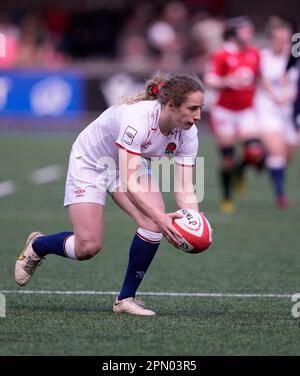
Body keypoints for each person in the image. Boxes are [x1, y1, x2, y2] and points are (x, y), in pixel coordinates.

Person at [15, 72, 205, 316]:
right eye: (193, 108)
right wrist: (160, 218)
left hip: (127, 163)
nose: (198, 116)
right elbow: (130, 181)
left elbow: (185, 188)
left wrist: (195, 222)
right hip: (92, 162)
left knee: (152, 224)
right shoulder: (139, 118)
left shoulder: (189, 133)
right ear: (171, 105)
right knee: (88, 247)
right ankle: (38, 245)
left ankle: (125, 299)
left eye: (201, 108)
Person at [204, 16, 264, 214]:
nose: (250, 34)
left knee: (255, 152)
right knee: (228, 158)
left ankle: (240, 172)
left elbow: (259, 77)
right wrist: (226, 81)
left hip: (246, 109)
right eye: (246, 30)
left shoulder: (254, 53)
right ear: (234, 33)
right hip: (225, 111)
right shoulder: (221, 55)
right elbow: (210, 80)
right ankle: (227, 197)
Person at [256, 22, 299, 208]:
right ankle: (280, 195)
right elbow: (261, 79)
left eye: (286, 40)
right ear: (270, 40)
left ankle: (261, 159)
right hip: (268, 108)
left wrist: (291, 95)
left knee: (286, 154)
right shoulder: (263, 57)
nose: (283, 43)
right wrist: (275, 96)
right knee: (278, 153)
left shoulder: (294, 58)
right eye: (278, 39)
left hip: (289, 112)